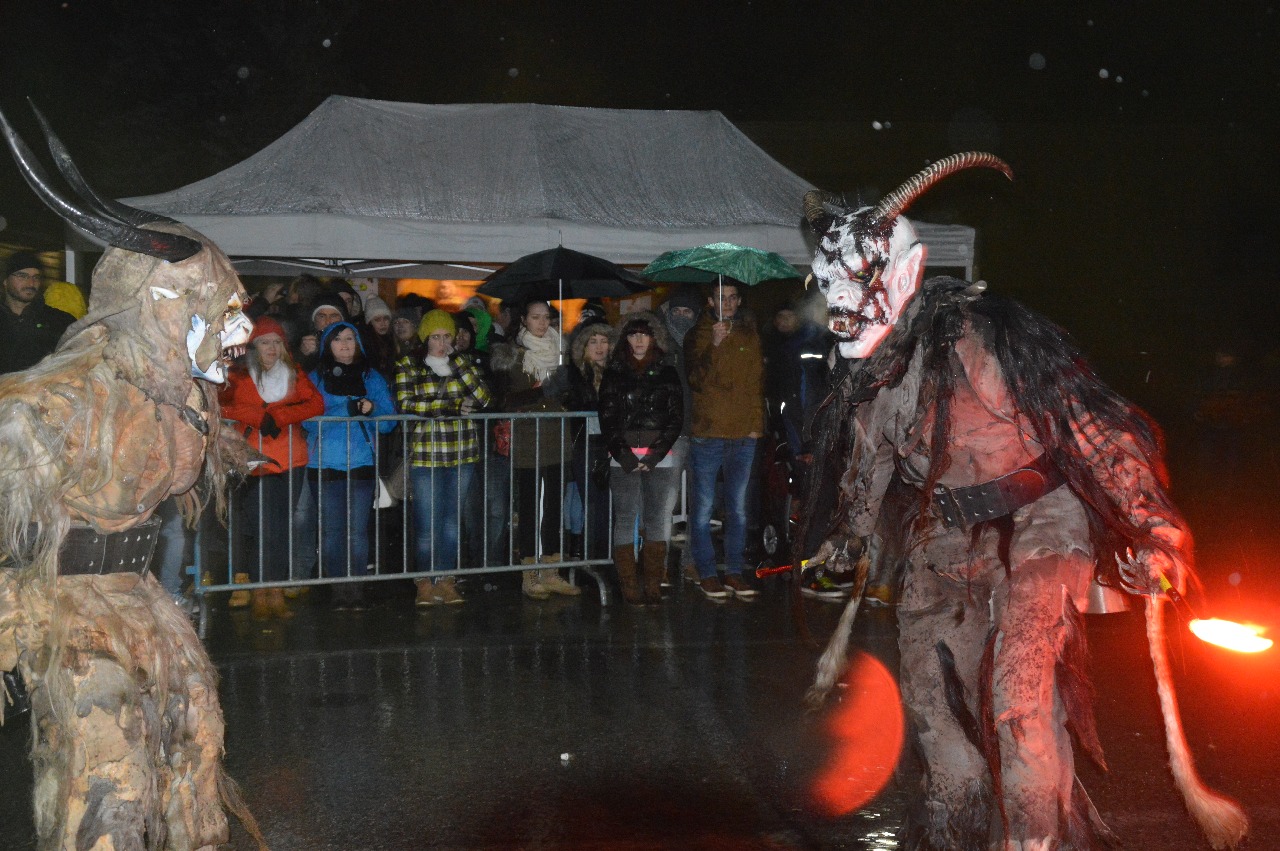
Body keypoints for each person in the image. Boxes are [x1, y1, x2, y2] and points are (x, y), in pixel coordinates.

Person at [801, 155, 1205, 850]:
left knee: (1019, 700)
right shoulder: (874, 372)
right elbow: (870, 464)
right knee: (933, 703)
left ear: (904, 272)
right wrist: (849, 536)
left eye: (859, 278)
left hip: (1038, 524)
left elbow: (1090, 426)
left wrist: (1154, 529)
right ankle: (956, 830)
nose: (840, 303)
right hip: (943, 534)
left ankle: (1032, 840)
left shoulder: (985, 340)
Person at [219, 317, 325, 619]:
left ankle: (274, 591)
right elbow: (220, 405)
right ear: (254, 346)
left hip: (291, 460)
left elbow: (316, 404)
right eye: (265, 342)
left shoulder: (294, 373)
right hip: (253, 461)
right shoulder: (238, 375)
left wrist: (279, 416)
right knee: (262, 529)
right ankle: (260, 591)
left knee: (280, 528)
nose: (272, 348)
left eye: (277, 342)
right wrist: (255, 416)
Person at [395, 310, 491, 605]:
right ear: (425, 338)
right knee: (427, 523)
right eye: (435, 337)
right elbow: (406, 403)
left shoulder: (463, 364)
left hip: (462, 453)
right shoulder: (409, 365)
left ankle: (447, 579)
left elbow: (483, 398)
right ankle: (425, 581)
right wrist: (450, 407)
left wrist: (458, 363)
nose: (441, 342)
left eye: (447, 336)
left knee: (451, 523)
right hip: (426, 455)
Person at [490, 300, 581, 599]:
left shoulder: (562, 352)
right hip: (528, 438)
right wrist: (543, 390)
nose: (542, 323)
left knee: (554, 505)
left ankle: (551, 570)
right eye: (535, 317)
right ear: (524, 320)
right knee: (530, 508)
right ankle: (530, 573)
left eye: (546, 317)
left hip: (556, 436)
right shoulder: (513, 355)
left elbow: (573, 396)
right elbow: (504, 400)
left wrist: (568, 386)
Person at [303, 321, 397, 609]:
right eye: (337, 339)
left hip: (361, 461)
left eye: (349, 338)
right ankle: (338, 588)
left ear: (358, 343)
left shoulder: (372, 377)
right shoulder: (315, 379)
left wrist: (374, 410)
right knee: (332, 532)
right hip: (324, 462)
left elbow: (389, 422)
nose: (344, 345)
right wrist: (344, 409)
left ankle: (355, 589)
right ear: (327, 345)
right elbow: (306, 420)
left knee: (357, 531)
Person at [683, 280, 764, 601]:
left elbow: (756, 383)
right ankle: (706, 572)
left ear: (739, 301)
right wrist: (713, 346)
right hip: (709, 432)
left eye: (732, 298)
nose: (727, 303)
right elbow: (695, 380)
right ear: (710, 301)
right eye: (721, 297)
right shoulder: (698, 334)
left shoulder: (749, 333)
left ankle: (734, 571)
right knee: (703, 509)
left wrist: (756, 424)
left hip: (743, 433)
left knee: (738, 509)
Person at [598, 315, 684, 604]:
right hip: (623, 456)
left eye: (644, 334)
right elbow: (608, 418)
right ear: (625, 339)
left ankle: (653, 583)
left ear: (653, 338)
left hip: (659, 456)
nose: (638, 340)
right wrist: (624, 455)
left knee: (656, 518)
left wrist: (654, 454)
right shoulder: (614, 374)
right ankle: (629, 585)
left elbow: (675, 418)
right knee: (625, 517)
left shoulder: (668, 372)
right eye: (633, 334)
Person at [544, 317, 615, 560]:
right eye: (593, 341)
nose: (599, 347)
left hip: (613, 445)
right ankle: (593, 555)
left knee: (610, 504)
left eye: (604, 340)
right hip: (584, 444)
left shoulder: (618, 372)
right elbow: (547, 395)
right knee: (591, 502)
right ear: (583, 345)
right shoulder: (571, 374)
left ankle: (606, 554)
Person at [0, 250, 75, 374]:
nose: (31, 283)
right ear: (5, 281)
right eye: (22, 276)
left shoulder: (60, 321)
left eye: (36, 277)